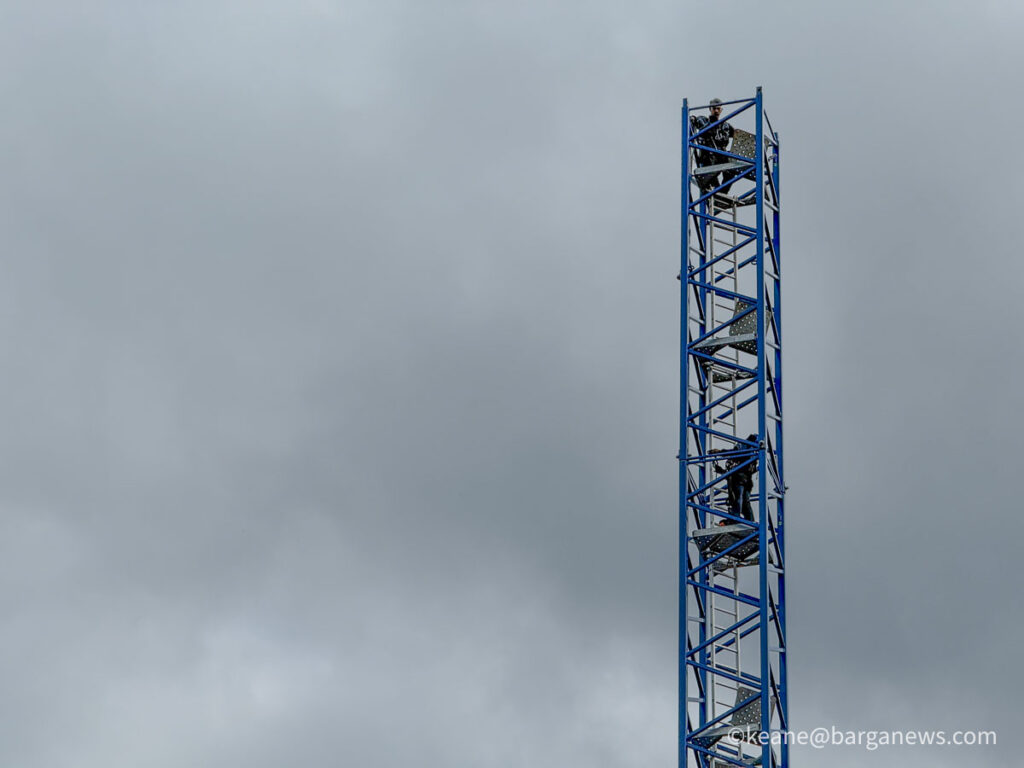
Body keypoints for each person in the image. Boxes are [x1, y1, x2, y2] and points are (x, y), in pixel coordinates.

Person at [690, 98, 736, 196]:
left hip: (721, 155)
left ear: (721, 110)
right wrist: (693, 118)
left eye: (718, 109)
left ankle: (722, 193)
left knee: (732, 170)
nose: (716, 111)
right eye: (714, 108)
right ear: (710, 109)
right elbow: (696, 122)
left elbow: (737, 134)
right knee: (711, 177)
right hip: (709, 156)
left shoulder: (726, 126)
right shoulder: (703, 120)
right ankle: (717, 194)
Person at [713, 434, 759, 523]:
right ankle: (749, 520)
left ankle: (736, 518)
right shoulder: (752, 455)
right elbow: (733, 471)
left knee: (738, 499)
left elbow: (733, 454)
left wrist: (719, 452)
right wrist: (722, 471)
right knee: (745, 501)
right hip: (746, 480)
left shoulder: (745, 448)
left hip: (740, 479)